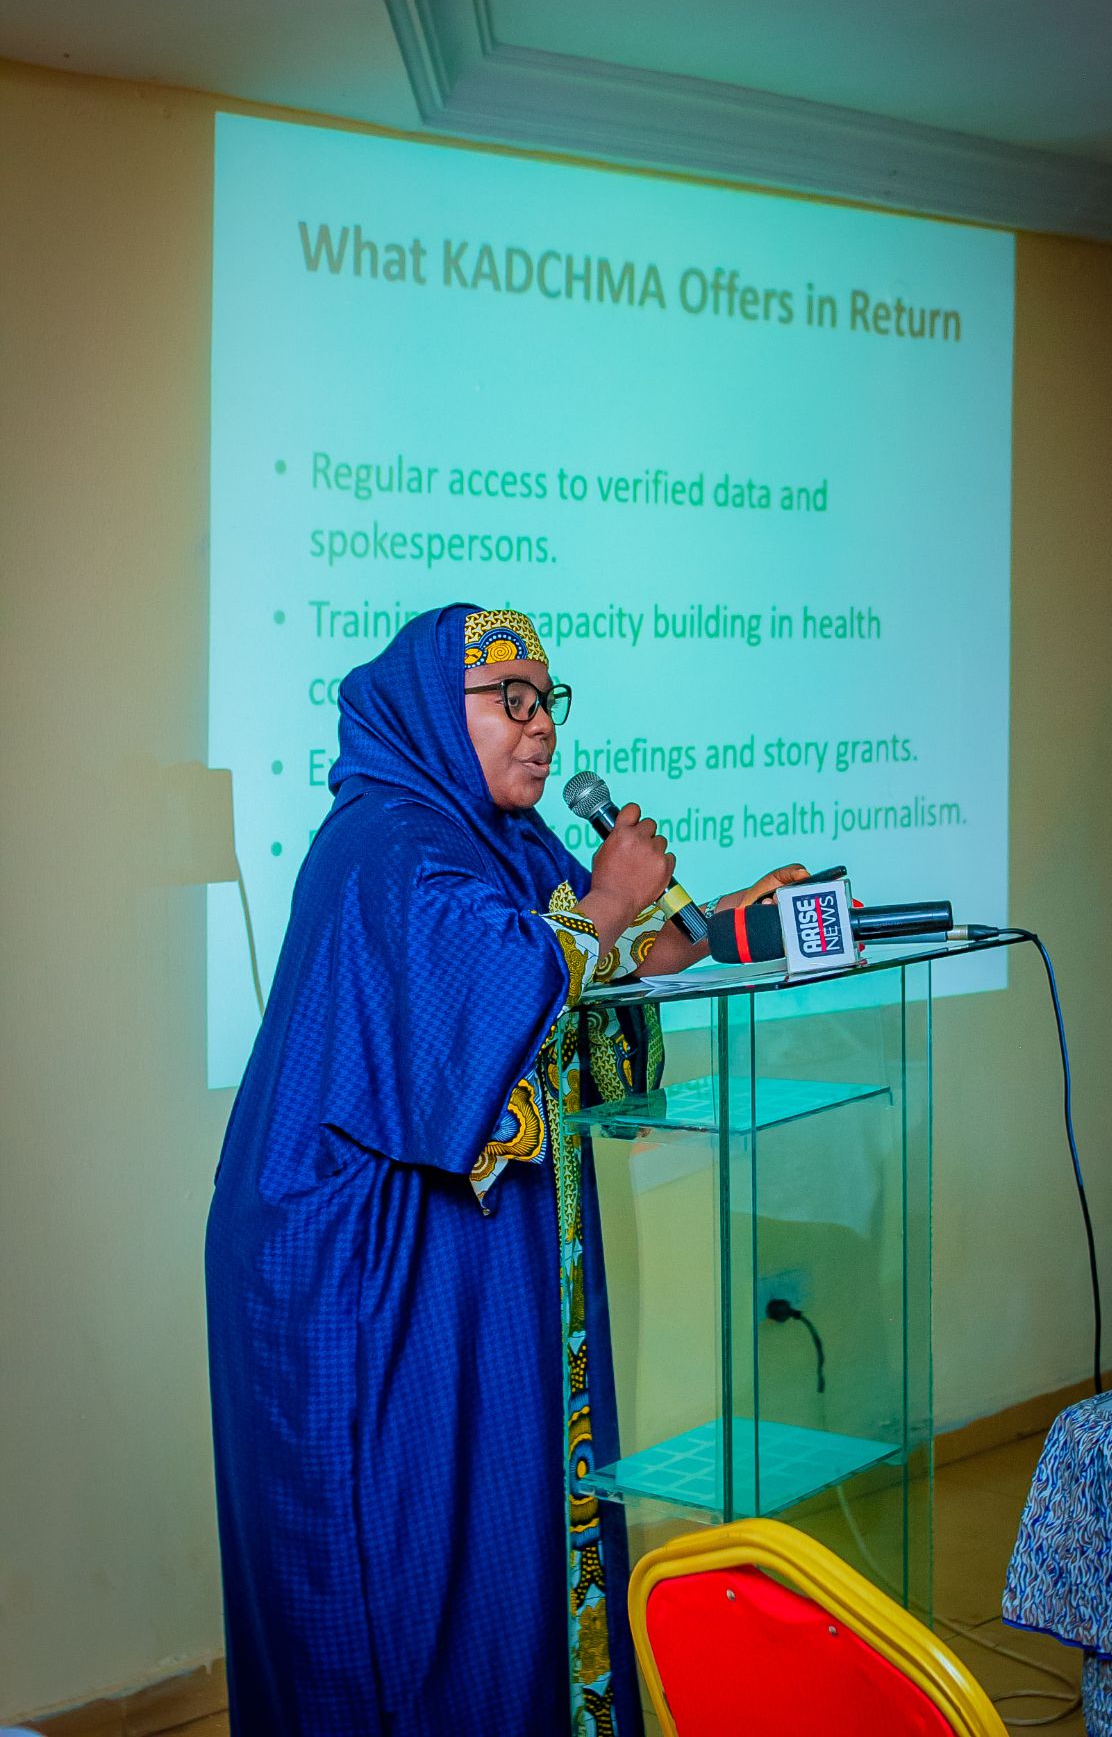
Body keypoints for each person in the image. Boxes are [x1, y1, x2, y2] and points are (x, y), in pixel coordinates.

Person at [205, 604, 808, 1736]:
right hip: (360, 1271)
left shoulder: (512, 845)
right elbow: (486, 1006)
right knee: (393, 1562)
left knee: (508, 1533)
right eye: (510, 700)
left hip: (475, 1256)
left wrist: (688, 942)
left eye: (548, 701)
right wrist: (610, 904)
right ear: (436, 713)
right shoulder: (386, 846)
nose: (542, 729)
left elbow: (581, 1006)